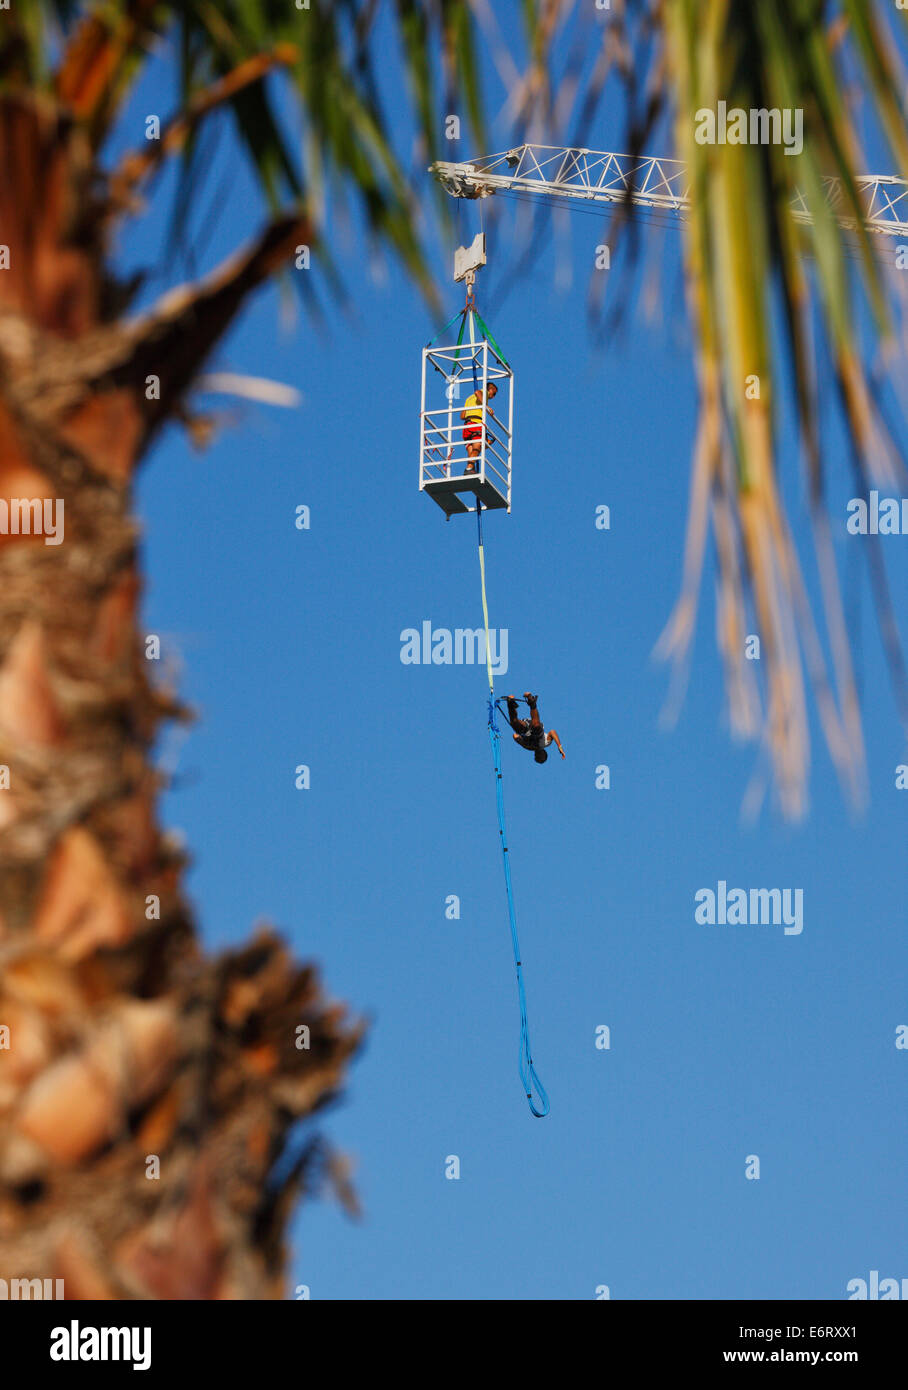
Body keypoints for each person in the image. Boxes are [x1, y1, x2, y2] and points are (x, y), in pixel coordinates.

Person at [504, 692, 565, 764]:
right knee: (536, 727)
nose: (538, 755)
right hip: (536, 729)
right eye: (541, 756)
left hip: (526, 730)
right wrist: (559, 746)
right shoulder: (546, 743)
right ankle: (532, 702)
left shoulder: (529, 747)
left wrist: (519, 739)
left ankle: (511, 703)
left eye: (537, 757)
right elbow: (552, 732)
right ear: (544, 752)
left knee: (515, 724)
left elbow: (515, 736)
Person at [460, 382, 498, 473]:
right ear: (491, 389)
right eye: (494, 393)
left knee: (471, 449)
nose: (493, 396)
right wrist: (486, 407)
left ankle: (470, 469)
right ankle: (469, 468)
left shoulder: (469, 398)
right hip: (476, 423)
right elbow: (477, 392)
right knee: (478, 446)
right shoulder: (484, 393)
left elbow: (462, 416)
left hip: (467, 425)